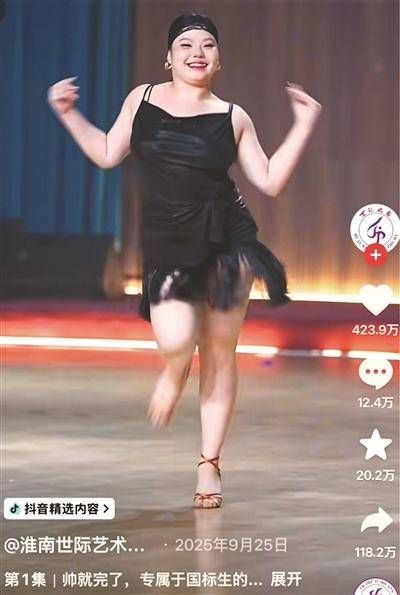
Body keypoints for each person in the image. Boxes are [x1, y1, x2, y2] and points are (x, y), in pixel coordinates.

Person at [47, 12, 322, 509]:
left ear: (219, 59)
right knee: (176, 339)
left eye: (208, 44)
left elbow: (269, 180)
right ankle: (174, 370)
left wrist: (303, 124)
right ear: (168, 57)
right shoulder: (142, 100)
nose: (198, 52)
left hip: (227, 240)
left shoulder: (233, 116)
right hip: (169, 244)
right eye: (186, 44)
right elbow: (108, 152)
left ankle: (209, 463)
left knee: (219, 351)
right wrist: (68, 114)